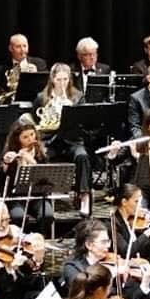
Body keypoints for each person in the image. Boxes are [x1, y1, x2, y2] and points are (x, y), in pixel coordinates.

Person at [37, 63, 92, 208]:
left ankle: (84, 195)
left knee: (82, 156)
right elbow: (36, 123)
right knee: (42, 156)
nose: (62, 83)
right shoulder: (42, 98)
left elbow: (83, 123)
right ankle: (46, 195)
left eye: (65, 79)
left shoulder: (77, 97)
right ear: (52, 79)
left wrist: (69, 110)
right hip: (50, 141)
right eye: (59, 79)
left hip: (72, 141)